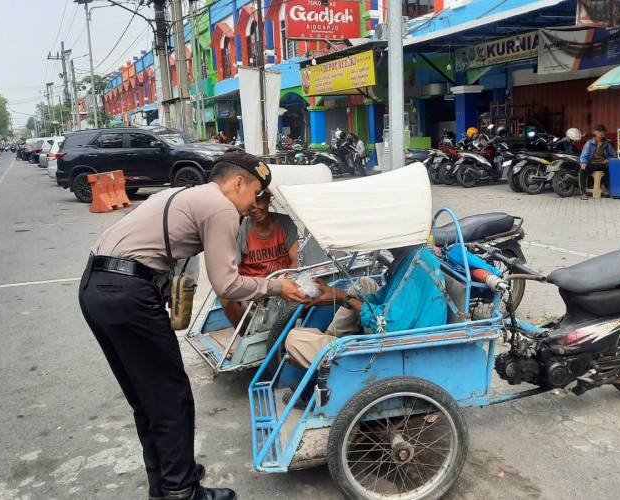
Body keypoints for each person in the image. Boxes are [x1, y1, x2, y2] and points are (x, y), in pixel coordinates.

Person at [78, 151, 307, 500]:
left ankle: (167, 480)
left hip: (95, 287)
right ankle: (182, 490)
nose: (254, 202)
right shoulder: (220, 208)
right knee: (172, 397)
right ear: (238, 182)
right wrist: (278, 285)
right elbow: (228, 285)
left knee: (147, 398)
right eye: (255, 192)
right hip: (129, 294)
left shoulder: (177, 194)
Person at [283, 244, 448, 407]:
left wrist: (344, 299)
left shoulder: (411, 271)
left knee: (294, 338)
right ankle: (327, 340)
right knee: (362, 284)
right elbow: (384, 300)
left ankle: (327, 357)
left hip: (400, 351)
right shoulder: (417, 256)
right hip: (410, 330)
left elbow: (387, 326)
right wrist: (346, 297)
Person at [219, 189, 299, 344]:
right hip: (253, 287)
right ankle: (245, 338)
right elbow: (232, 267)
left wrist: (281, 283)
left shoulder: (285, 223)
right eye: (250, 204)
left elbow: (295, 261)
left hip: (280, 283)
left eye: (259, 201)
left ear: (269, 198)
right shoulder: (241, 228)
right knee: (225, 297)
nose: (254, 208)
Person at [579, 124, 615, 200]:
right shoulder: (589, 143)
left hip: (602, 164)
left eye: (603, 131)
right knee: (582, 170)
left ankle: (605, 186)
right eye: (599, 131)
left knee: (611, 167)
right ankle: (583, 193)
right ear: (595, 132)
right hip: (592, 164)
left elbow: (613, 155)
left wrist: (608, 159)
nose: (601, 133)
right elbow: (584, 155)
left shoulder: (607, 143)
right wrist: (583, 163)